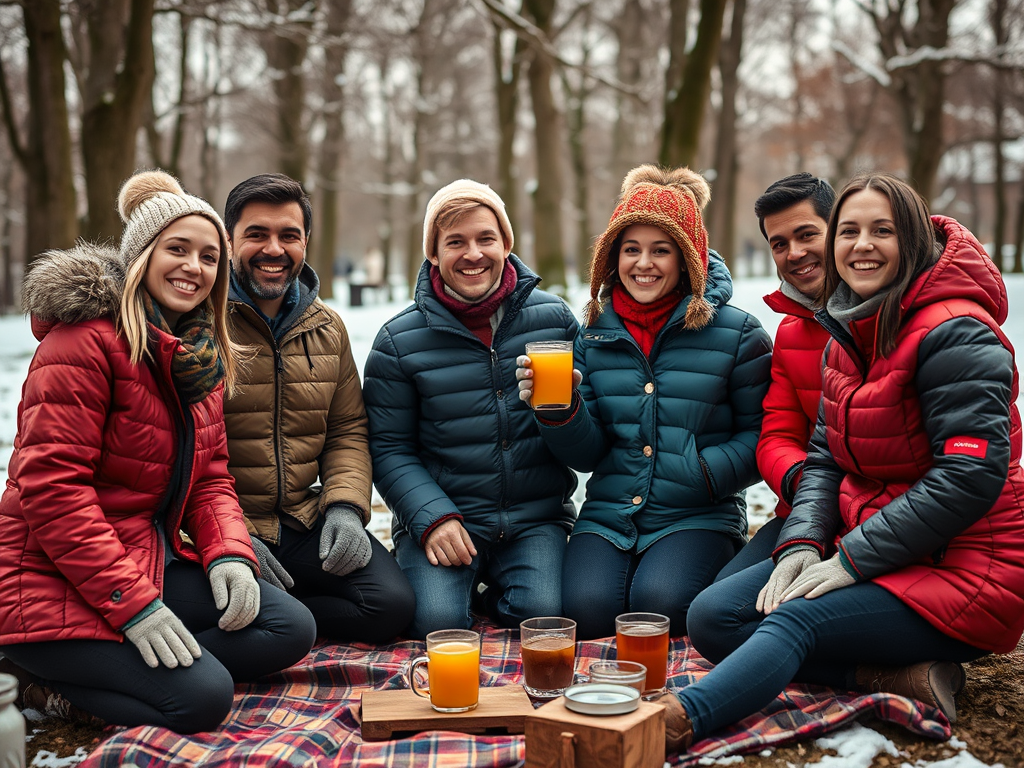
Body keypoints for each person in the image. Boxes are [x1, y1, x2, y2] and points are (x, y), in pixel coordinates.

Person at [667, 172, 1024, 753]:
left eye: (881, 230)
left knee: (794, 620)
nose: (862, 245)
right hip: (879, 539)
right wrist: (804, 542)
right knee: (715, 616)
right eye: (851, 232)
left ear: (910, 239)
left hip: (966, 564)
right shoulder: (849, 331)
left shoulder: (957, 332)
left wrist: (852, 560)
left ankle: (675, 722)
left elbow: (969, 475)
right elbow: (823, 456)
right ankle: (893, 677)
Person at [0, 171, 317, 733]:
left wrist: (230, 555)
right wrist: (136, 609)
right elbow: (52, 493)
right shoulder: (83, 343)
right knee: (203, 698)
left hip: (146, 557)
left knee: (289, 627)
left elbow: (211, 478)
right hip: (47, 578)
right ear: (141, 256)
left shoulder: (198, 356)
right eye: (177, 249)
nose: (193, 267)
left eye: (209, 256)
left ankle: (137, 664)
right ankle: (45, 680)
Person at [517, 165, 773, 640]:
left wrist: (703, 471)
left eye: (661, 250)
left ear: (687, 259)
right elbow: (587, 455)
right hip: (609, 513)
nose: (644, 263)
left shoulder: (738, 333)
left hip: (697, 512)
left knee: (658, 607)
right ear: (612, 259)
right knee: (587, 614)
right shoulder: (593, 335)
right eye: (630, 250)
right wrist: (560, 410)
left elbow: (764, 433)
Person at [362, 179, 578, 640]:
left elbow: (587, 439)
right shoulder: (399, 342)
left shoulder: (554, 320)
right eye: (455, 242)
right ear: (434, 254)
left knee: (542, 615)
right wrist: (432, 516)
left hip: (534, 517)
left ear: (506, 244)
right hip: (446, 518)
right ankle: (457, 585)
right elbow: (388, 447)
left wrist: (569, 409)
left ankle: (495, 590)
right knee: (436, 624)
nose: (474, 253)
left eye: (486, 238)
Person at [222, 173, 415, 643]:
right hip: (222, 527)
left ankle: (286, 616)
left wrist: (345, 506)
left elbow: (347, 428)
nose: (274, 248)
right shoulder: (199, 325)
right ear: (228, 242)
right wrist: (228, 536)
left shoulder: (327, 327)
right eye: (256, 234)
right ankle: (282, 621)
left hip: (301, 520)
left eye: (289, 235)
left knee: (392, 607)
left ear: (306, 241)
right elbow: (177, 453)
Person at [717, 173, 835, 581]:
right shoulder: (790, 331)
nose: (795, 253)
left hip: (882, 515)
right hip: (807, 506)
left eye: (807, 235)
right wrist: (804, 483)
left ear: (838, 229)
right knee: (711, 607)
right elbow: (776, 435)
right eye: (779, 244)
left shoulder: (890, 317)